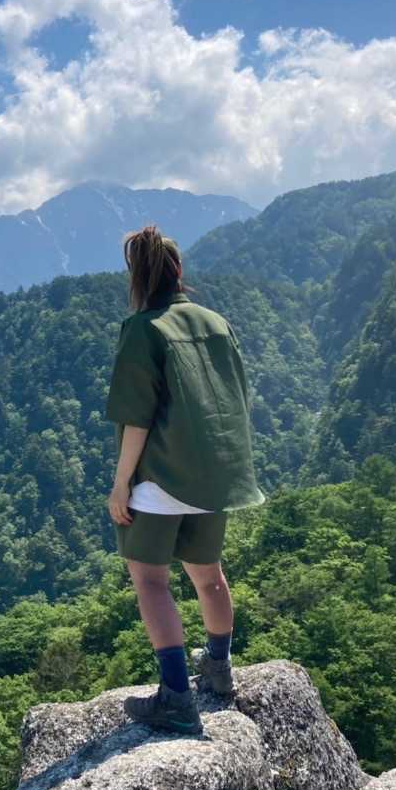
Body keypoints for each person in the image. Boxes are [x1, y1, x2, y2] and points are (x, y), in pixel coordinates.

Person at [104, 225, 266, 734]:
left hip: (161, 477)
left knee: (151, 580)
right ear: (178, 271)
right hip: (214, 474)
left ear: (138, 276)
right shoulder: (217, 323)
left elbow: (137, 418)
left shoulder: (143, 329)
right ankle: (219, 669)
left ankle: (176, 697)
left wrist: (121, 484)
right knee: (209, 574)